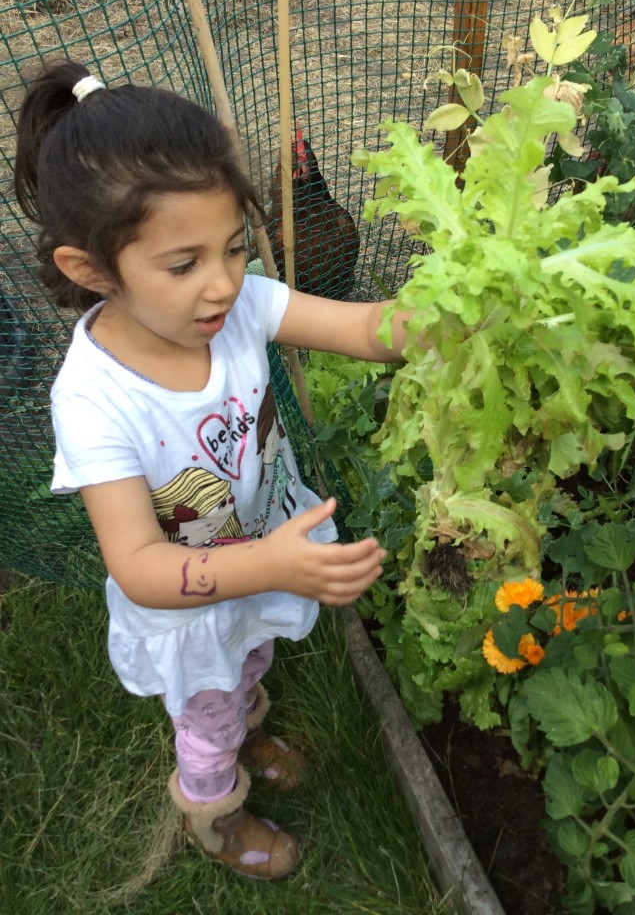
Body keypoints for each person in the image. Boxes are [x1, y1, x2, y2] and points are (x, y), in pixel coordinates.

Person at [14, 60, 409, 882]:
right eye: (183, 263)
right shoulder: (93, 402)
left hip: (260, 552)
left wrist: (442, 314)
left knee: (254, 658)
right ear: (92, 270)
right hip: (190, 607)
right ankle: (217, 815)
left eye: (234, 247)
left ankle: (249, 725)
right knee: (207, 715)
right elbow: (140, 566)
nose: (222, 282)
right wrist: (269, 563)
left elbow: (369, 328)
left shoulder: (242, 308)